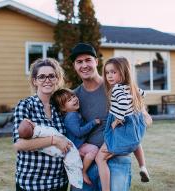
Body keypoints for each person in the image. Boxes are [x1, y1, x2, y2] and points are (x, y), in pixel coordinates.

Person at [69, 43, 131, 191]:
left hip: (116, 159)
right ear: (74, 66)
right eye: (79, 62)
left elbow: (145, 119)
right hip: (86, 162)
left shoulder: (116, 88)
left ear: (96, 62)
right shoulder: (73, 97)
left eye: (88, 60)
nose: (84, 65)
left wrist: (120, 143)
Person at [13, 58, 72, 191]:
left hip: (59, 183)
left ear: (57, 79)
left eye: (51, 76)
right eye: (41, 77)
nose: (47, 80)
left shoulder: (61, 108)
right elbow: (19, 144)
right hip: (31, 183)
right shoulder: (25, 105)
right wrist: (54, 140)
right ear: (35, 81)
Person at [95, 57, 150, 191]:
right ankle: (143, 167)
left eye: (113, 72)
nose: (109, 76)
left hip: (122, 126)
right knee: (136, 142)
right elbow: (143, 93)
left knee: (99, 158)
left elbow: (123, 104)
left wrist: (117, 120)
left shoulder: (117, 89)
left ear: (123, 72)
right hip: (133, 124)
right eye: (107, 73)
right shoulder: (131, 88)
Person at [51, 88, 101, 185]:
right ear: (63, 109)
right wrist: (93, 123)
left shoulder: (74, 113)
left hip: (78, 145)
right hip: (76, 147)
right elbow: (78, 132)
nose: (74, 99)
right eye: (69, 100)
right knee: (94, 150)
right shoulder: (71, 116)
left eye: (73, 96)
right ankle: (83, 172)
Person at [18, 118, 83, 189]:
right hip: (34, 183)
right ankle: (78, 179)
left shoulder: (56, 110)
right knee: (72, 160)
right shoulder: (37, 130)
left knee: (72, 161)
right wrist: (55, 140)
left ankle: (78, 177)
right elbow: (19, 144)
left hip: (59, 181)